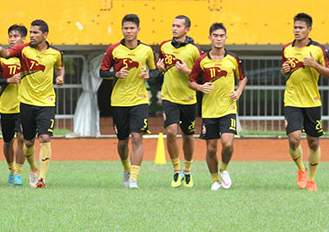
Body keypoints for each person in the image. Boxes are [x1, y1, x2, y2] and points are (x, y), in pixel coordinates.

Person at [0, 19, 64, 189]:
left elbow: (60, 66)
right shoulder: (22, 50)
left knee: (44, 137)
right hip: (24, 103)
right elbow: (7, 54)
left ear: (45, 35)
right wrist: (2, 52)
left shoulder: (55, 53)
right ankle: (31, 168)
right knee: (27, 142)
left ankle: (40, 179)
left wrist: (60, 77)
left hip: (46, 102)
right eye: (30, 32)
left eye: (35, 32)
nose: (31, 35)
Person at [186, 22, 246, 191]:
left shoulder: (233, 59)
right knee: (211, 149)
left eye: (221, 36)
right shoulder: (201, 61)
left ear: (226, 38)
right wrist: (200, 87)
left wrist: (238, 92)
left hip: (228, 109)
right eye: (215, 36)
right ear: (210, 38)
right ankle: (214, 180)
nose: (218, 39)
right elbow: (191, 82)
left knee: (227, 144)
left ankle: (224, 169)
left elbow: (243, 78)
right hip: (209, 111)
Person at [100, 13, 158, 189]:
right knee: (123, 140)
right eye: (126, 28)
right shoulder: (113, 49)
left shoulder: (146, 50)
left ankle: (133, 178)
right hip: (119, 101)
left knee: (137, 136)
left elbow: (155, 72)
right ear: (122, 29)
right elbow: (102, 72)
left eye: (132, 28)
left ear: (138, 29)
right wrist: (115, 74)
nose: (129, 31)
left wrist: (149, 75)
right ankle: (126, 169)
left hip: (139, 100)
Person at [281, 12, 329, 192]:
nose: (297, 31)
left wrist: (315, 65)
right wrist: (284, 70)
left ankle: (311, 179)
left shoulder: (319, 50)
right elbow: (286, 73)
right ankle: (301, 170)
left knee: (313, 142)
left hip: (312, 102)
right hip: (292, 100)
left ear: (309, 29)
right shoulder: (287, 49)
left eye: (301, 28)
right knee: (294, 139)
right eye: (295, 27)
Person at [157, 14, 201, 188]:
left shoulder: (195, 50)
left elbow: (202, 75)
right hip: (169, 97)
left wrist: (187, 71)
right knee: (170, 132)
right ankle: (176, 170)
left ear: (187, 29)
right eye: (173, 25)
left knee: (188, 135)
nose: (174, 28)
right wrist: (159, 69)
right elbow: (160, 69)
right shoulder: (164, 46)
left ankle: (187, 171)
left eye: (178, 26)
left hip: (188, 98)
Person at [0, 24, 27, 186]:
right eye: (10, 36)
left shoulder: (28, 57)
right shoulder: (0, 57)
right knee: (8, 141)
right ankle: (11, 170)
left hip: (25, 103)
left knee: (22, 138)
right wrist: (8, 80)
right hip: (6, 104)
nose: (12, 39)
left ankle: (18, 173)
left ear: (23, 39)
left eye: (16, 36)